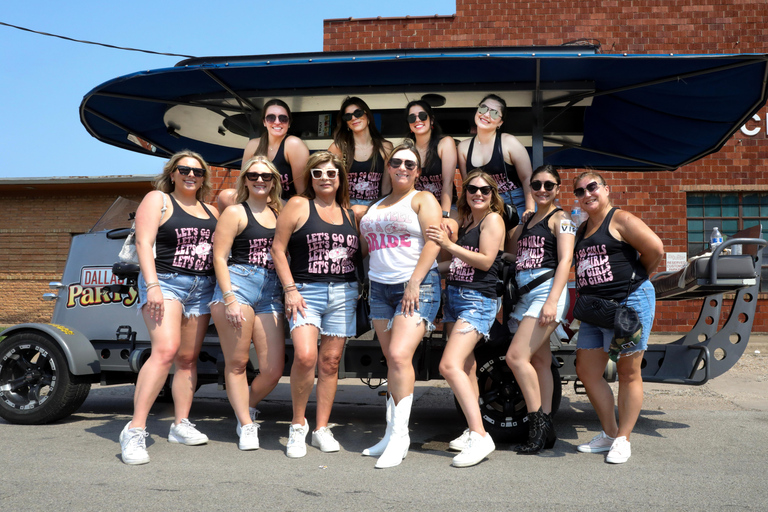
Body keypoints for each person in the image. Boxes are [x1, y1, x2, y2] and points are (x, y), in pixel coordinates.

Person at [119, 150, 219, 465]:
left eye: (198, 171)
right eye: (184, 169)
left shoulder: (212, 210)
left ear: (204, 177)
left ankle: (180, 424)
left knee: (188, 358)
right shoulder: (158, 200)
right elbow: (143, 243)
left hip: (201, 287)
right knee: (165, 351)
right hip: (166, 281)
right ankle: (135, 430)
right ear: (172, 173)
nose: (192, 175)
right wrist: (152, 286)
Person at [358, 139, 442, 468]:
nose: (403, 168)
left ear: (417, 171)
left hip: (417, 286)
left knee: (398, 355)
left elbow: (434, 243)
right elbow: (366, 247)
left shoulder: (423, 198)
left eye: (410, 164)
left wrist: (415, 282)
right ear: (389, 168)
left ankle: (400, 437)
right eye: (397, 163)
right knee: (391, 363)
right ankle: (390, 431)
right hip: (379, 288)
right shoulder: (377, 205)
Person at [270, 151, 360, 458]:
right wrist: (290, 290)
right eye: (318, 173)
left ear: (340, 178)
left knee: (331, 363)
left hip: (344, 293)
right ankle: (298, 425)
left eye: (331, 173)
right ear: (310, 177)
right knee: (306, 357)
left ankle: (321, 427)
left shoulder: (350, 213)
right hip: (306, 292)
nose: (325, 178)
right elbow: (278, 249)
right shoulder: (298, 205)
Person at [571, 171, 664, 464]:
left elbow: (655, 249)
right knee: (587, 372)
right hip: (595, 310)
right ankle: (609, 434)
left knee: (627, 373)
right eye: (580, 191)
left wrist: (635, 279)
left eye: (592, 187)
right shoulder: (582, 229)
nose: (587, 194)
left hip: (628, 304)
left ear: (606, 189)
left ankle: (623, 439)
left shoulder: (620, 219)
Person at [426, 170, 505, 467]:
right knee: (468, 369)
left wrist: (448, 245)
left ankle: (481, 435)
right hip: (456, 299)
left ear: (492, 193)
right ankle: (472, 431)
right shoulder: (467, 220)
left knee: (449, 365)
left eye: (485, 190)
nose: (478, 194)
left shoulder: (492, 220)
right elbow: (457, 263)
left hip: (477, 301)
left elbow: (485, 261)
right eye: (472, 189)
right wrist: (423, 270)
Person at [210, 156, 284, 451]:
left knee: (272, 369)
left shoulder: (280, 212)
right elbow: (219, 256)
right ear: (245, 180)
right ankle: (246, 423)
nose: (260, 180)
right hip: (238, 285)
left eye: (266, 176)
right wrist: (228, 298)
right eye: (253, 175)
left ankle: (244, 405)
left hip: (271, 289)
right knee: (238, 362)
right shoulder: (235, 212)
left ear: (274, 181)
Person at [504, 165, 575, 454]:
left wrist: (551, 301)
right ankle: (547, 425)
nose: (542, 190)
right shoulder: (530, 219)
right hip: (524, 293)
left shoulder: (562, 219)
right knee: (540, 362)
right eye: (537, 185)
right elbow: (517, 256)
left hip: (546, 293)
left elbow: (565, 260)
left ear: (558, 188)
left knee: (516, 356)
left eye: (549, 185)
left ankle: (537, 426)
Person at [219, 99, 309, 210]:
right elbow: (243, 184)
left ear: (289, 123)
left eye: (283, 118)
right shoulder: (253, 145)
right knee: (225, 195)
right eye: (271, 118)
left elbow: (303, 193)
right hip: (256, 199)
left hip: (284, 204)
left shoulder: (293, 144)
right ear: (264, 122)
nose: (277, 122)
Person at [457, 94, 535, 222]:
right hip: (482, 204)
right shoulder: (463, 147)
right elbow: (467, 186)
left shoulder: (509, 142)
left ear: (500, 123)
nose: (486, 115)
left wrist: (529, 209)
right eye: (483, 109)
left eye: (494, 113)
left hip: (514, 204)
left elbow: (527, 178)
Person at [329, 96, 393, 207]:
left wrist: (383, 209)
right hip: (347, 206)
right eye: (348, 116)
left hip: (374, 207)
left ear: (367, 116)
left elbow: (386, 187)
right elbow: (328, 181)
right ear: (346, 123)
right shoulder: (338, 147)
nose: (353, 118)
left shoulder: (385, 147)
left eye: (358, 113)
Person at [405, 100, 457, 216]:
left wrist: (444, 214)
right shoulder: (407, 149)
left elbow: (447, 182)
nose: (417, 120)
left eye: (422, 116)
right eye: (412, 118)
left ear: (431, 120)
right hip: (417, 208)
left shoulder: (445, 143)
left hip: (446, 206)